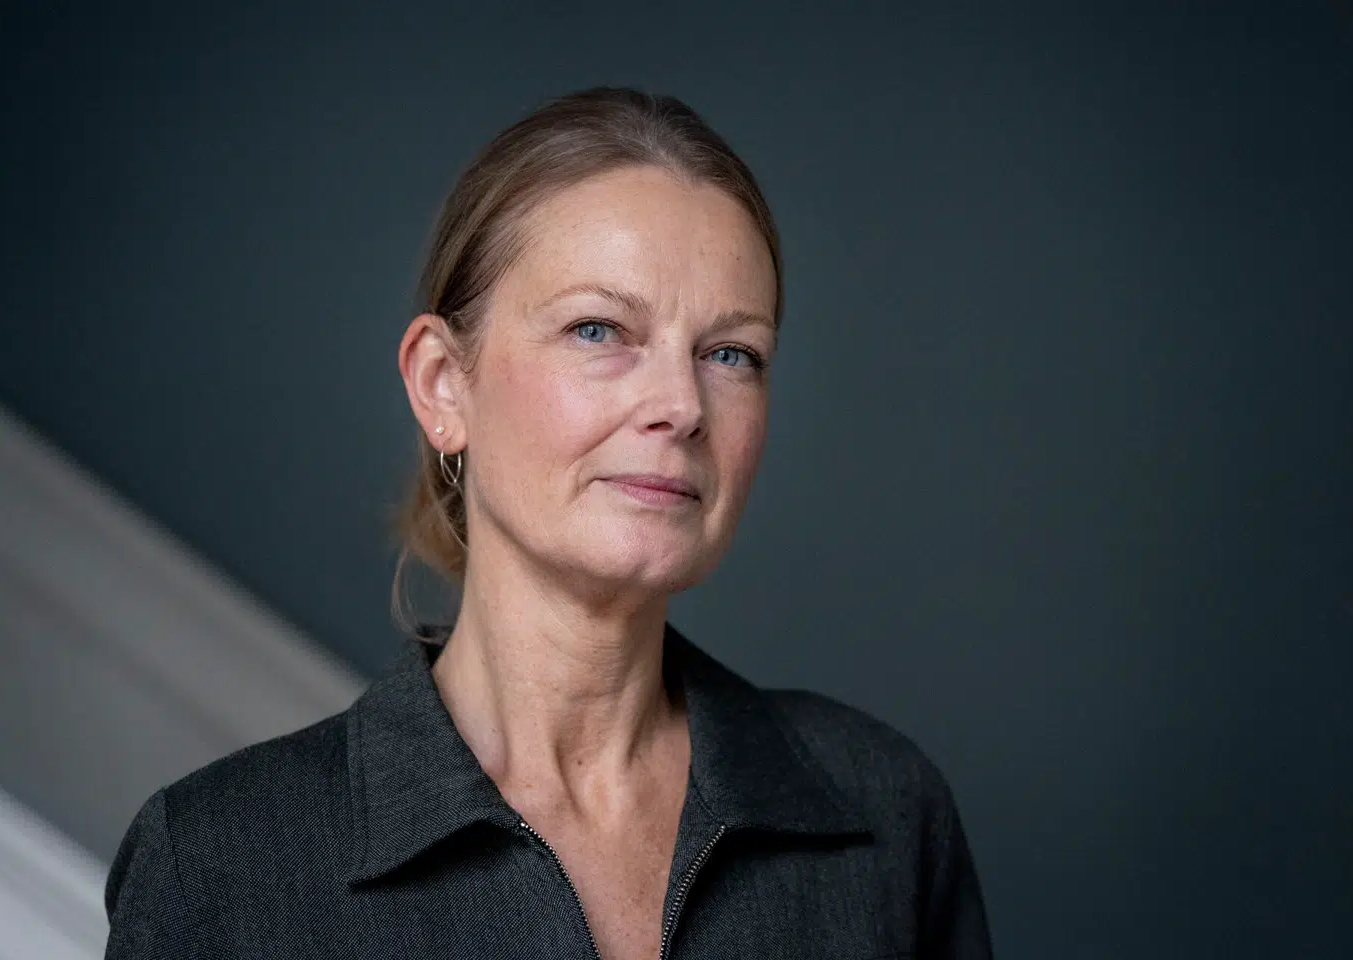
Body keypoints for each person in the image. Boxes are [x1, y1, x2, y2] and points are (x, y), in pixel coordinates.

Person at [104, 86, 993, 959]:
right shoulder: (219, 869)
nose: (683, 406)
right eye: (599, 331)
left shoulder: (883, 816)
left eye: (731, 353)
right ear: (443, 386)